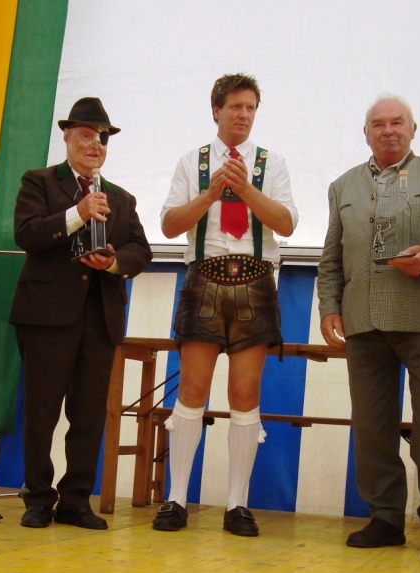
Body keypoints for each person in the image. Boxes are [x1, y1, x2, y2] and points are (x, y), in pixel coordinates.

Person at [318, 95, 420, 551]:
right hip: (362, 321)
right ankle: (384, 518)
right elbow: (331, 257)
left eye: (397, 122)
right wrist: (329, 306)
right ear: (366, 134)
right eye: (378, 124)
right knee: (371, 424)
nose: (388, 130)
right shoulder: (342, 186)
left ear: (414, 129)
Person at [155, 73, 297, 536]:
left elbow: (287, 224)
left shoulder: (271, 163)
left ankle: (237, 504)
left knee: (245, 393)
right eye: (235, 106)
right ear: (216, 110)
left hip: (255, 279)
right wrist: (211, 193)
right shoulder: (192, 161)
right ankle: (176, 498)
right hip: (205, 276)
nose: (243, 115)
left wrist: (247, 190)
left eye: (250, 108)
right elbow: (169, 226)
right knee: (192, 389)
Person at [10, 97, 152, 529]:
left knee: (89, 414)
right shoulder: (38, 182)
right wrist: (78, 213)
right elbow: (27, 234)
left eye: (102, 139)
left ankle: (75, 500)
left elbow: (141, 249)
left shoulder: (122, 198)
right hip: (46, 316)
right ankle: (38, 498)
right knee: (42, 412)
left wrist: (113, 262)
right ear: (67, 138)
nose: (95, 145)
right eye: (86, 136)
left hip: (100, 317)